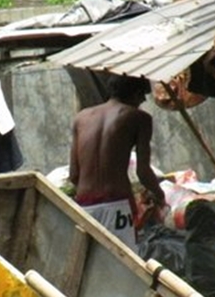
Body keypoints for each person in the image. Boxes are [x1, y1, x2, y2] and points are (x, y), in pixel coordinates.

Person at [69, 75, 166, 249]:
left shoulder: (81, 118)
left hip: (83, 205)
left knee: (88, 263)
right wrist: (160, 195)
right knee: (123, 264)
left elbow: (74, 175)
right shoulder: (140, 118)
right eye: (143, 95)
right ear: (136, 94)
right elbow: (143, 172)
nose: (143, 100)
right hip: (117, 204)